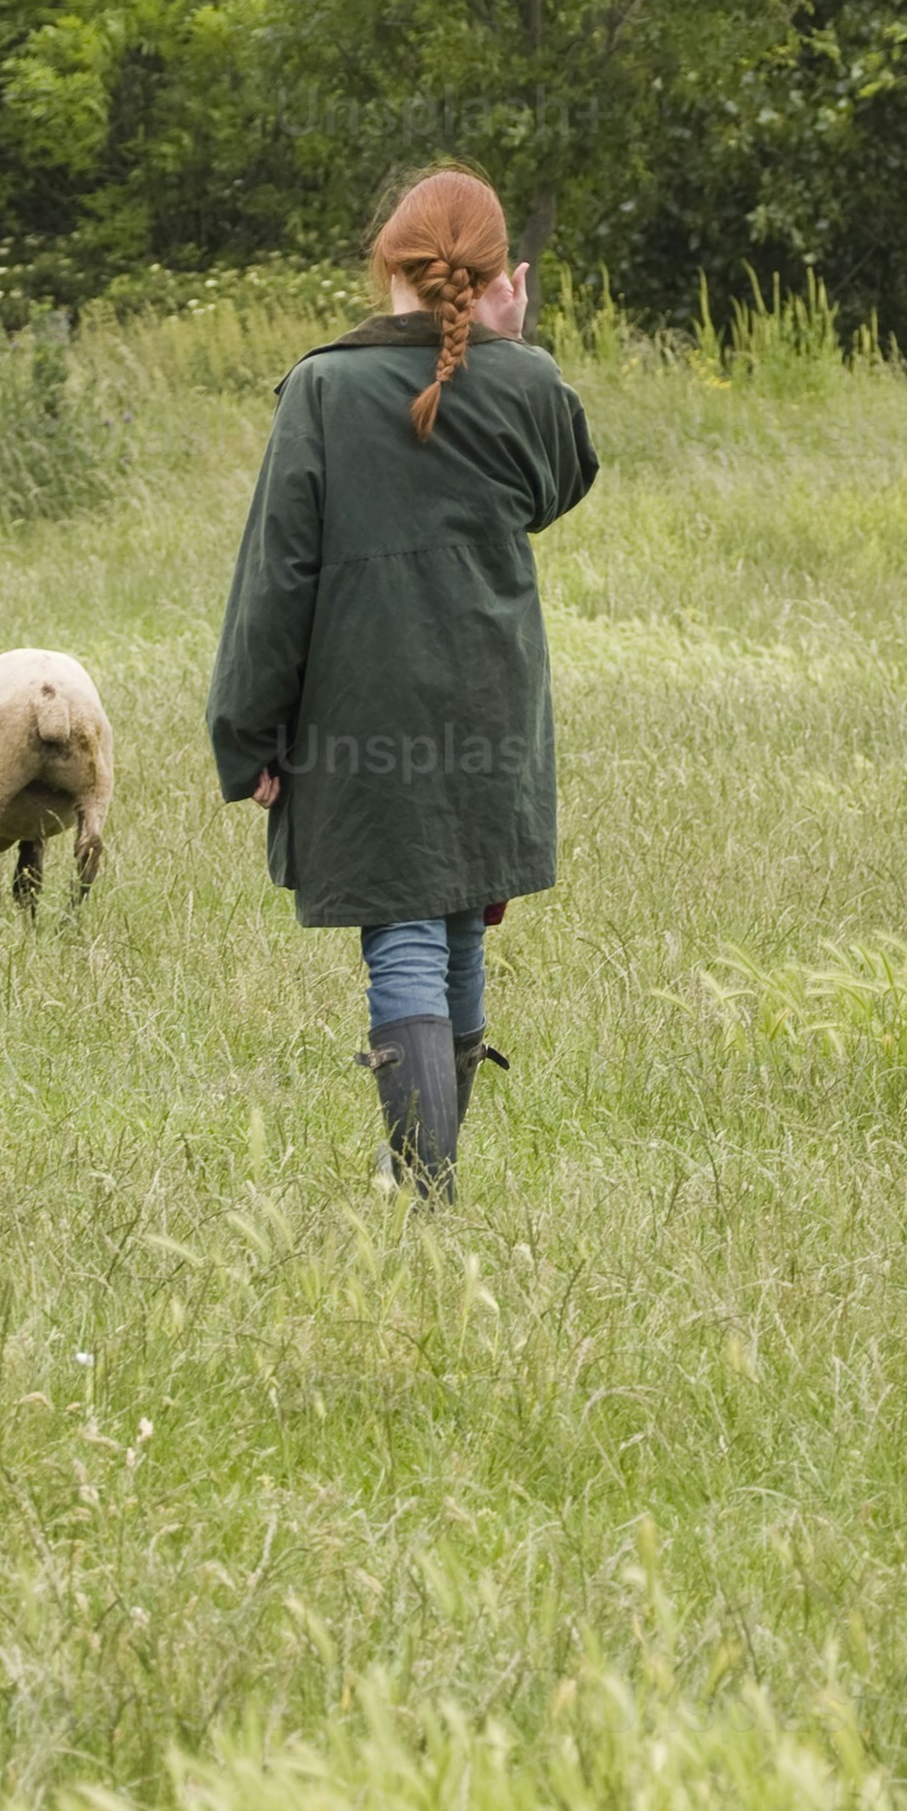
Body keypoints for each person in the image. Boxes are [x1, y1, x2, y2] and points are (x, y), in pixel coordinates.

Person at [205, 168, 598, 1196]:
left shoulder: (325, 390)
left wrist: (249, 733)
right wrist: (508, 344)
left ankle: (423, 1190)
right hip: (491, 703)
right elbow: (561, 484)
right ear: (496, 276)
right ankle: (420, 1174)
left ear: (389, 262)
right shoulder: (527, 381)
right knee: (459, 911)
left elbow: (276, 577)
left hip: (365, 707)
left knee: (412, 933)